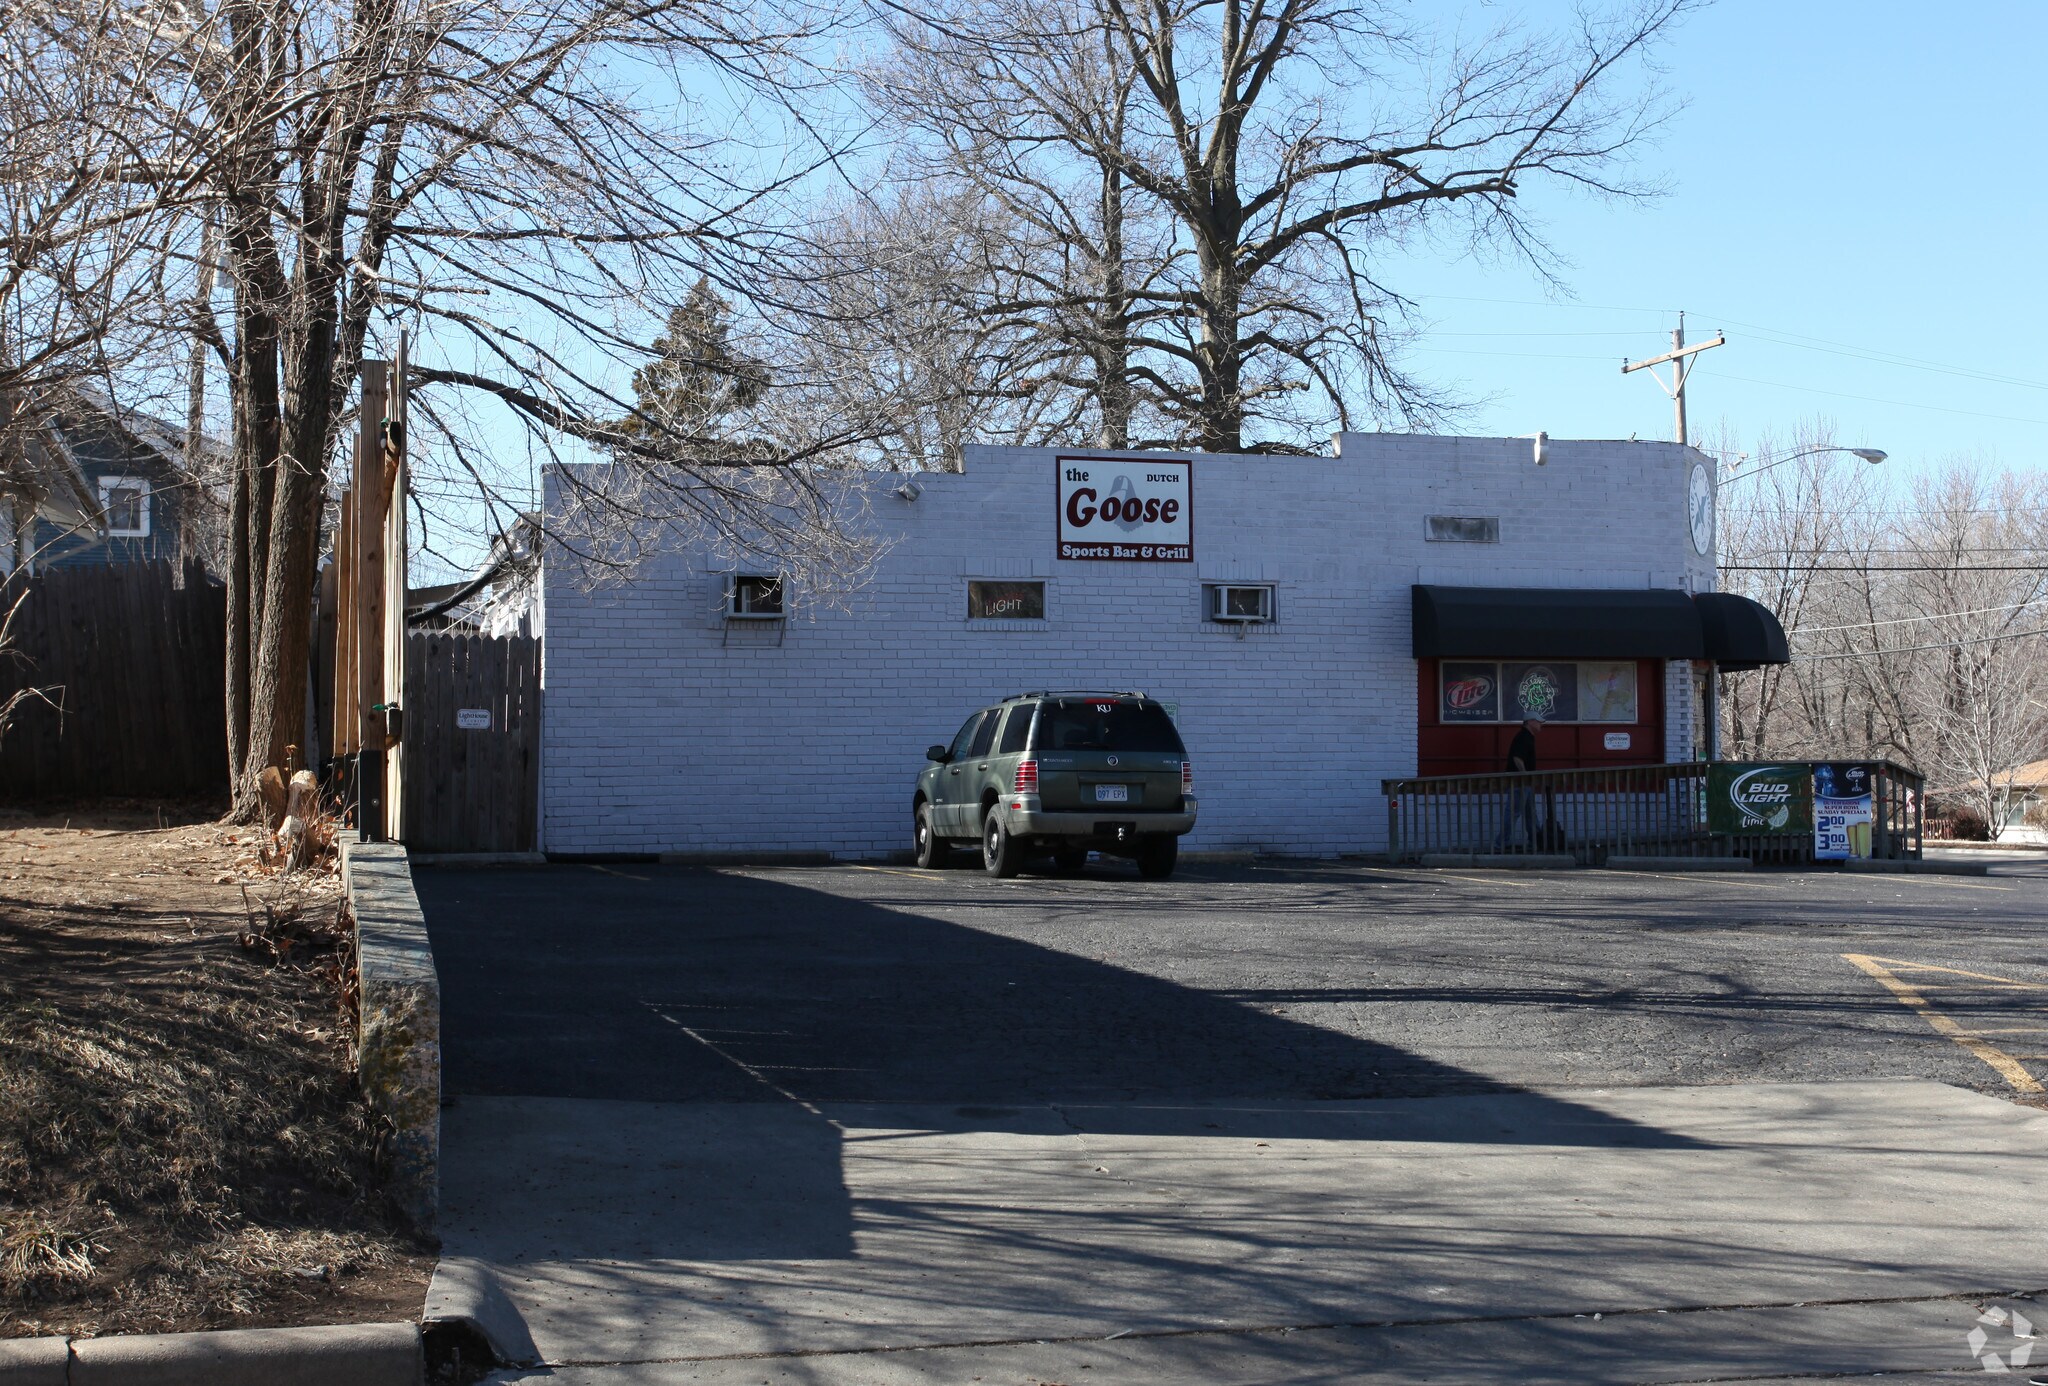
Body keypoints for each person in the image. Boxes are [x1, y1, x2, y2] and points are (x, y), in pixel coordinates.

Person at [1496, 717, 1544, 851]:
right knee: (1513, 813)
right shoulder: (1524, 737)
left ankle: (1536, 840)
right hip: (1519, 782)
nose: (1541, 724)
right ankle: (1501, 843)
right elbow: (1517, 758)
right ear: (1530, 722)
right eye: (1538, 721)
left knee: (1530, 812)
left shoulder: (1526, 736)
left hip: (1523, 782)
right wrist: (1525, 775)